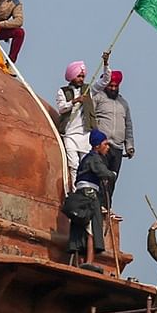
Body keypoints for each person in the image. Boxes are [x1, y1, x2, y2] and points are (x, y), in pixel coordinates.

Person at [90, 52, 134, 209]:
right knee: (102, 176)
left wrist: (130, 146)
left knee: (113, 178)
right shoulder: (99, 98)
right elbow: (89, 116)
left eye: (116, 86)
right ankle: (98, 205)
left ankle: (107, 207)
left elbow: (128, 125)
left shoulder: (124, 103)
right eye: (111, 86)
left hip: (118, 147)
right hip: (103, 144)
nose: (113, 88)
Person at [68, 129, 115, 272]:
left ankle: (79, 261)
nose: (107, 148)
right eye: (105, 144)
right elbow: (103, 172)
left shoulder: (86, 159)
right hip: (89, 196)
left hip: (80, 195)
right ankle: (88, 261)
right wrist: (111, 174)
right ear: (97, 145)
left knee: (80, 228)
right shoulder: (95, 158)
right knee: (91, 230)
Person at [55, 61, 94, 182]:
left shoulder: (87, 90)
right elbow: (61, 108)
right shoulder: (62, 91)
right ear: (72, 76)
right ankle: (74, 189)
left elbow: (103, 82)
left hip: (85, 133)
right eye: (79, 76)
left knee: (85, 165)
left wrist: (105, 64)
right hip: (70, 133)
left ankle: (83, 189)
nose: (81, 79)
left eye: (82, 76)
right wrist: (74, 101)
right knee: (73, 164)